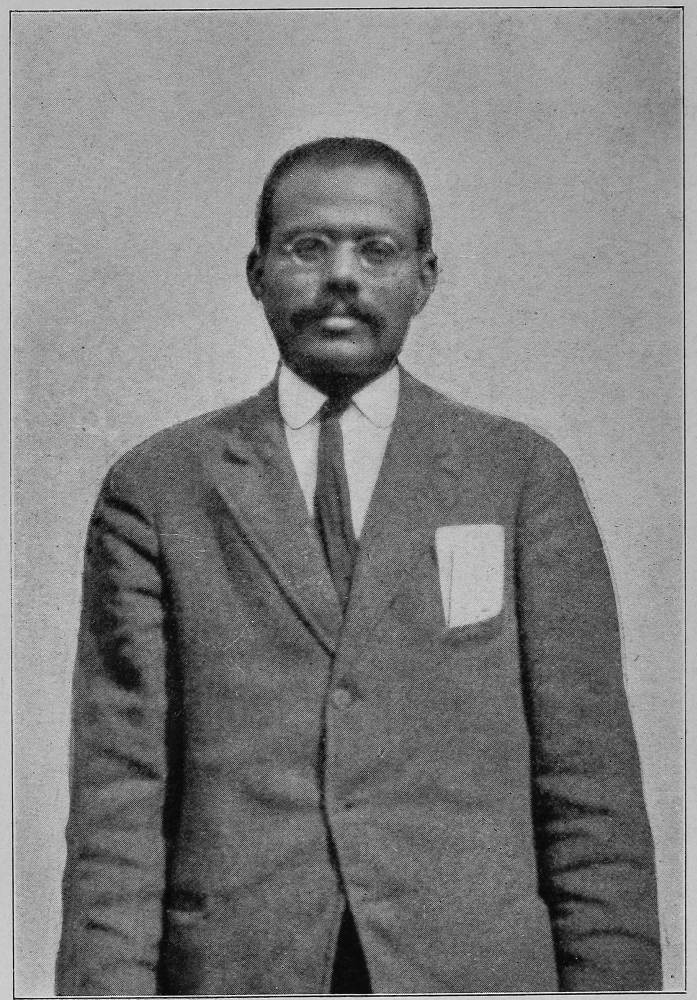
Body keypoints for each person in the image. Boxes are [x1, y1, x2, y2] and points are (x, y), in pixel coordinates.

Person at [56, 137, 662, 996]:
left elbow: (589, 790)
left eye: (376, 250)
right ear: (256, 273)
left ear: (424, 277)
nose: (341, 275)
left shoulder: (519, 476)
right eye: (307, 247)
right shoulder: (159, 489)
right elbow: (119, 799)